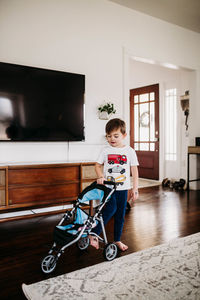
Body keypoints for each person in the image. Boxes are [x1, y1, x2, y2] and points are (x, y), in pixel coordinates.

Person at [90, 118, 139, 251]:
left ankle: (117, 240)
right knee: (110, 209)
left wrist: (135, 188)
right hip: (108, 188)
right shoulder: (105, 150)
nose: (112, 139)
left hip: (123, 189)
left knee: (120, 215)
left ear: (124, 135)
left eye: (116, 136)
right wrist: (100, 176)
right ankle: (93, 234)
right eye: (109, 136)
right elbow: (97, 165)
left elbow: (134, 170)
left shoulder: (129, 151)